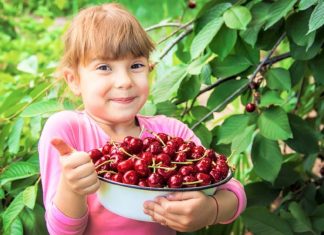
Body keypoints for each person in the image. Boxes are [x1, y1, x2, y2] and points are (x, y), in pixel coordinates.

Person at [38, 3, 246, 235]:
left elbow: (233, 191)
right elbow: (61, 232)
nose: (125, 81)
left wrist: (212, 209)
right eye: (104, 67)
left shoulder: (171, 134)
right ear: (74, 80)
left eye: (136, 65)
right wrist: (72, 187)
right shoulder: (68, 132)